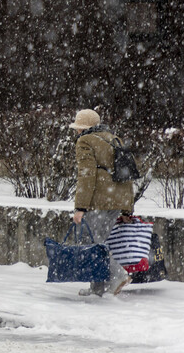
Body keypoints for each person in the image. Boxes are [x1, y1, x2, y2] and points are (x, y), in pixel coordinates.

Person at [69, 109, 135, 297]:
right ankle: (97, 288)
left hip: (99, 200)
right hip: (116, 199)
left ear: (84, 128)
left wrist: (80, 207)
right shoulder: (115, 139)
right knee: (99, 241)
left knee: (94, 244)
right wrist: (127, 208)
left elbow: (86, 175)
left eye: (78, 128)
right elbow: (127, 174)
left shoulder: (85, 141)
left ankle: (118, 274)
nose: (76, 132)